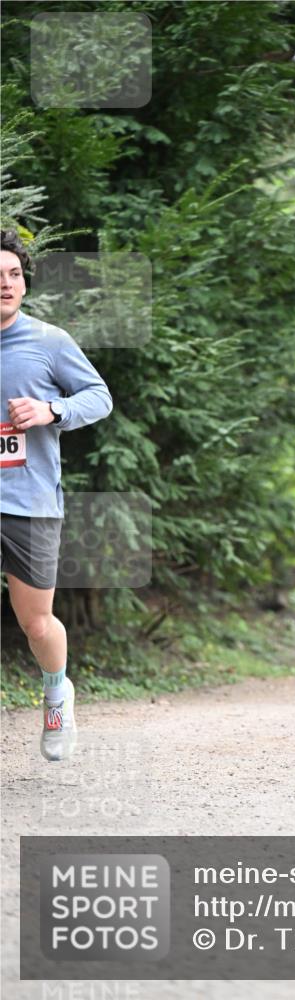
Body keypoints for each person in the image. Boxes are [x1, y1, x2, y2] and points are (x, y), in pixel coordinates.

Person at [0, 229, 113, 761]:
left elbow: (99, 398)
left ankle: (55, 690)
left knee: (36, 622)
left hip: (30, 502)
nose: (5, 284)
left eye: (14, 275)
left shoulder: (48, 341)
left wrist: (52, 411)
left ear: (24, 282)